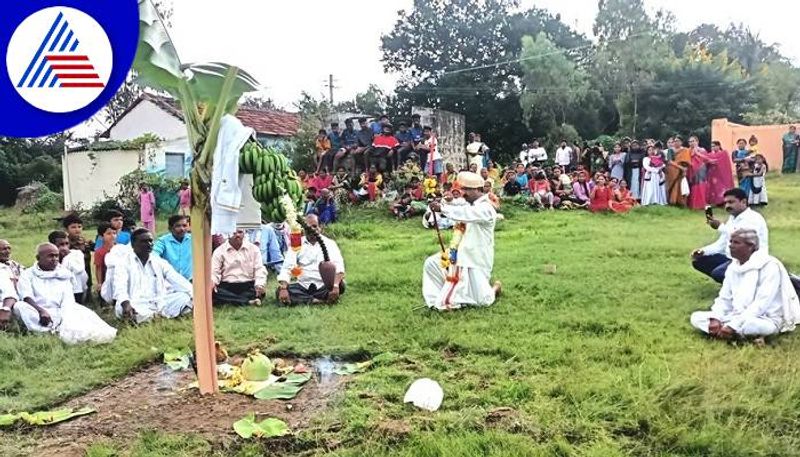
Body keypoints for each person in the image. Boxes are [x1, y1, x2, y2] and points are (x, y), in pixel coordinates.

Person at [690, 229, 800, 341]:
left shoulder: (769, 266)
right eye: (730, 242)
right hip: (734, 315)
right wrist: (715, 318)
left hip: (765, 318)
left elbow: (761, 303)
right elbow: (724, 298)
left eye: (736, 243)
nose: (731, 246)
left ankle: (732, 332)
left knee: (751, 326)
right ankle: (738, 335)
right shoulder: (733, 267)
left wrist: (733, 325)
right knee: (696, 317)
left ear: (751, 246)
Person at [423, 172, 502, 310]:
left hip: (475, 259)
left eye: (466, 190)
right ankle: (434, 299)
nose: (463, 193)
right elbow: (459, 206)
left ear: (477, 189)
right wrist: (439, 200)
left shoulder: (486, 208)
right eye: (462, 189)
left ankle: (494, 288)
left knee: (482, 301)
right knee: (431, 263)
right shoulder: (471, 204)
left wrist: (442, 208)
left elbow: (466, 214)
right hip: (460, 256)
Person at [14, 243, 116, 344]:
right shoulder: (28, 274)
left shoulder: (63, 273)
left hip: (61, 310)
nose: (55, 259)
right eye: (50, 256)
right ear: (38, 257)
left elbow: (68, 300)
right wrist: (41, 311)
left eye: (56, 255)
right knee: (19, 306)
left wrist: (64, 316)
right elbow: (26, 296)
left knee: (85, 323)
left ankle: (55, 329)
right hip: (36, 310)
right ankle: (45, 331)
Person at [113, 228, 193, 323]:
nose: (149, 244)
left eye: (151, 241)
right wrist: (126, 304)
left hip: (157, 302)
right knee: (125, 310)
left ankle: (152, 317)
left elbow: (177, 279)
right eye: (144, 241)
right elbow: (119, 287)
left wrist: (194, 295)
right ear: (133, 244)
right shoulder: (123, 262)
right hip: (135, 302)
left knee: (184, 297)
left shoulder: (159, 262)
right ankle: (160, 316)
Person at [692, 188, 769, 283]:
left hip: (750, 260)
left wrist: (720, 227)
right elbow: (722, 244)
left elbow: (742, 238)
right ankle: (734, 282)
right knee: (699, 261)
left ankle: (746, 283)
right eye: (726, 203)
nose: (727, 206)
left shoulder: (754, 218)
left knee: (718, 273)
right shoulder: (732, 218)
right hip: (732, 259)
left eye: (731, 202)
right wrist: (703, 251)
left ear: (743, 202)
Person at [277, 214, 345, 305]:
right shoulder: (297, 243)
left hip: (324, 285)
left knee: (341, 285)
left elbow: (339, 266)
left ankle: (307, 300)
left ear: (320, 227)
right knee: (279, 291)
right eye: (308, 227)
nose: (311, 229)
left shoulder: (330, 243)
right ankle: (317, 301)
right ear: (303, 229)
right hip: (304, 286)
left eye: (314, 226)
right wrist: (283, 288)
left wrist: (335, 286)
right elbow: (287, 267)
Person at [211, 229, 267, 306]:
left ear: (244, 233)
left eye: (240, 232)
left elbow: (259, 269)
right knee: (214, 292)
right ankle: (248, 302)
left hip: (248, 285)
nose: (237, 235)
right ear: (228, 234)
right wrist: (212, 283)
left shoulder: (254, 249)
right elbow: (214, 272)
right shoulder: (219, 251)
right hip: (226, 286)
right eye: (234, 233)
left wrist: (259, 285)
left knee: (258, 291)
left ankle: (232, 300)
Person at [48, 231, 87, 305]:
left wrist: (66, 257)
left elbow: (78, 269)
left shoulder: (76, 254)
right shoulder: (50, 258)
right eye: (61, 245)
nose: (65, 247)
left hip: (76, 289)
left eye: (67, 243)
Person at [153, 215, 193, 281]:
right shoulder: (163, 241)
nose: (182, 229)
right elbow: (154, 254)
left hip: (189, 280)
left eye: (184, 225)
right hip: (169, 281)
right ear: (170, 228)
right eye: (178, 226)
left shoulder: (193, 240)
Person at [61, 213, 93, 294]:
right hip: (72, 270)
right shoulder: (65, 242)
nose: (77, 229)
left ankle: (88, 294)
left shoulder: (84, 241)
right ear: (66, 229)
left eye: (79, 227)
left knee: (87, 280)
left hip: (85, 266)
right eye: (73, 227)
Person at [705, 141, 735, 207]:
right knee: (714, 188)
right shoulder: (709, 154)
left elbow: (726, 164)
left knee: (722, 187)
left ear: (719, 146)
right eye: (712, 146)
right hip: (713, 174)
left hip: (722, 174)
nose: (713, 148)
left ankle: (723, 201)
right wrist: (709, 162)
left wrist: (715, 161)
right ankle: (715, 202)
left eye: (714, 146)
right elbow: (706, 161)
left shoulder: (723, 153)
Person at [666, 137, 692, 206]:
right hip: (672, 171)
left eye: (678, 141)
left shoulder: (685, 150)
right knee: (673, 185)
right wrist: (680, 167)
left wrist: (684, 170)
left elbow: (686, 162)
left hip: (682, 171)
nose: (676, 142)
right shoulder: (670, 150)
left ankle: (681, 202)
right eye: (675, 141)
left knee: (682, 186)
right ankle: (673, 201)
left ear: (681, 142)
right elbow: (670, 161)